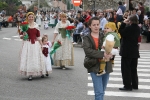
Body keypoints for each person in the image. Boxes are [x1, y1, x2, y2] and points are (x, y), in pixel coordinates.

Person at [83, 17, 113, 100]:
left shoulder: (105, 35)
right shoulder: (86, 38)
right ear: (90, 26)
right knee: (99, 92)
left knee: (102, 91)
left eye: (98, 24)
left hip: (106, 65)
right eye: (94, 25)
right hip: (94, 65)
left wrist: (111, 53)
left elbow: (112, 47)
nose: (96, 27)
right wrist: (103, 54)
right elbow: (88, 51)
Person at [19, 12, 46, 81]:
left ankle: (40, 72)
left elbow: (38, 36)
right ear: (27, 18)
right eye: (29, 17)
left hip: (35, 44)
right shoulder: (24, 25)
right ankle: (30, 74)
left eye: (32, 17)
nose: (31, 18)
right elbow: (21, 36)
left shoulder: (36, 26)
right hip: (27, 44)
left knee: (36, 57)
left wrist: (41, 45)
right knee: (29, 58)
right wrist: (23, 35)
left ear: (34, 18)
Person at [119, 14, 140, 91]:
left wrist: (123, 23)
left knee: (126, 69)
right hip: (134, 51)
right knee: (133, 69)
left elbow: (121, 31)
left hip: (127, 51)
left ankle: (127, 85)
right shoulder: (138, 28)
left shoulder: (128, 28)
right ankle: (135, 84)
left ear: (130, 21)